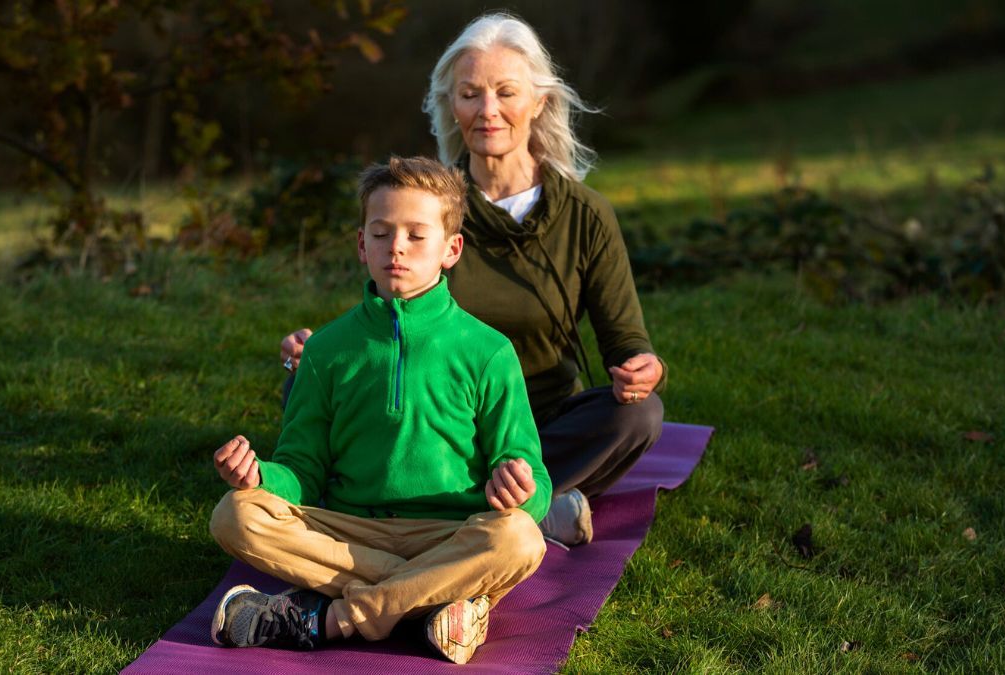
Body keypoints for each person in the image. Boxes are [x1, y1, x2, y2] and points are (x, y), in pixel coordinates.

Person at [280, 14, 664, 546]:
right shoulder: (431, 209)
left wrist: (644, 369)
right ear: (451, 106)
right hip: (441, 420)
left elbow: (627, 343)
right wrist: (319, 349)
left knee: (639, 416)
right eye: (470, 94)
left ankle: (522, 497)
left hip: (545, 420)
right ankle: (509, 511)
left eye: (506, 92)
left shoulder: (587, 215)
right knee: (305, 379)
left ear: (539, 102)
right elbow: (393, 313)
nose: (487, 111)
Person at [208, 156, 551, 665]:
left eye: (416, 234)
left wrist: (520, 487)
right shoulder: (326, 350)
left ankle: (326, 619)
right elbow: (303, 469)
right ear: (360, 245)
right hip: (350, 533)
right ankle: (435, 601)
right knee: (235, 514)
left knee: (521, 537)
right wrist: (260, 477)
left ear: (451, 249)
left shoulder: (489, 351)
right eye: (382, 232)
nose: (397, 247)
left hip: (451, 533)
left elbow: (535, 484)